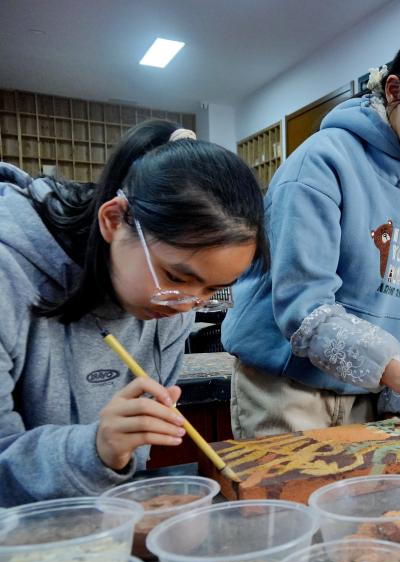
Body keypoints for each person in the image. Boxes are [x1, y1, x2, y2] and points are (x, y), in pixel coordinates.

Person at [222, 24, 400, 437]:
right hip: (286, 389)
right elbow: (303, 306)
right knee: (289, 501)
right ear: (395, 91)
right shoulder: (322, 162)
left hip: (370, 390)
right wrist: (398, 375)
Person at [0, 120, 267, 505]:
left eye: (210, 289)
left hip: (104, 526)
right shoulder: (10, 274)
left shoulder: (173, 310)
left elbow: (131, 462)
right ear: (113, 220)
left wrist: (117, 452)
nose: (185, 304)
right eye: (175, 276)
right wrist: (94, 448)